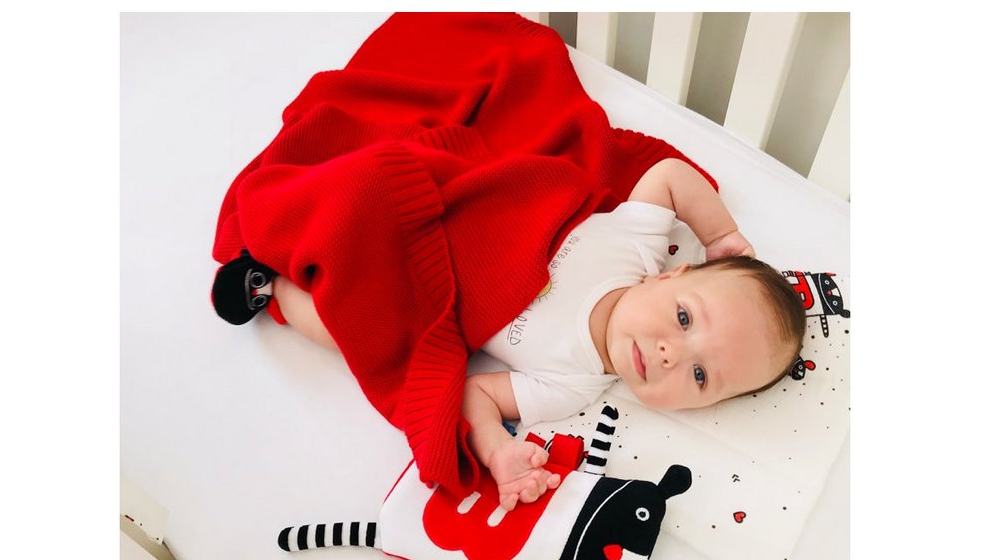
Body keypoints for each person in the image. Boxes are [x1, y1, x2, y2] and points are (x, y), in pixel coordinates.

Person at [213, 158, 805, 511]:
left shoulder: (573, 384)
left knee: (364, 337)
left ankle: (271, 286)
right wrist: (723, 236)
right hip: (458, 216)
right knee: (372, 183)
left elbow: (478, 393)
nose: (671, 353)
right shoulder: (638, 245)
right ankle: (293, 221)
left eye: (700, 376)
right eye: (684, 319)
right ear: (673, 274)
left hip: (432, 296)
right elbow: (671, 176)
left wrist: (498, 450)